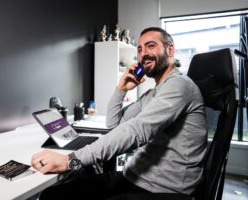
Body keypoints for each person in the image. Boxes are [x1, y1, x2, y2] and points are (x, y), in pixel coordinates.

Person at [31, 27, 207, 200]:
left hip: (160, 189)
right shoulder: (154, 93)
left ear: (170, 50)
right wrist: (121, 89)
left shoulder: (180, 85)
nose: (143, 53)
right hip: (133, 178)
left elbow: (135, 131)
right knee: (52, 194)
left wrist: (70, 161)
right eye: (140, 49)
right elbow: (114, 124)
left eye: (151, 46)